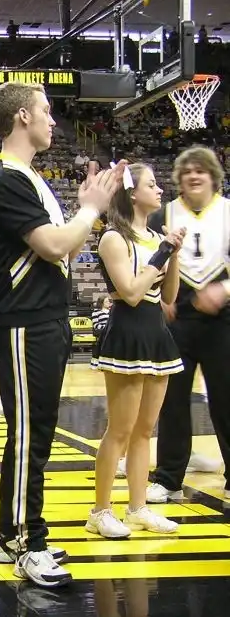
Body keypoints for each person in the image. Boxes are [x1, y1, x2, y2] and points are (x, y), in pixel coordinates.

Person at [0, 81, 124, 588]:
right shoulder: (4, 179)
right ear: (22, 116)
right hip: (24, 320)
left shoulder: (28, 177)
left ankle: (11, 534)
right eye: (45, 110)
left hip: (44, 318)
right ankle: (26, 542)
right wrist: (92, 207)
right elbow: (55, 245)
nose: (52, 120)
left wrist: (86, 207)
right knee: (29, 435)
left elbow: (62, 248)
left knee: (35, 433)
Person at [88, 164, 186, 537]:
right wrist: (161, 253)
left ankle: (138, 508)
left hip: (156, 334)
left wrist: (173, 254)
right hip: (126, 335)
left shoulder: (155, 238)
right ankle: (100, 511)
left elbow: (169, 296)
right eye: (152, 184)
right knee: (120, 430)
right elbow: (129, 292)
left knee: (145, 431)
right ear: (132, 193)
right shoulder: (114, 238)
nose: (159, 190)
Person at [147, 145, 230, 504]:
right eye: (187, 171)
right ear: (179, 179)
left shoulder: (227, 211)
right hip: (176, 318)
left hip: (222, 319)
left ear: (214, 176)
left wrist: (224, 289)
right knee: (172, 401)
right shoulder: (163, 214)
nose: (194, 176)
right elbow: (146, 259)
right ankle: (169, 478)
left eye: (201, 170)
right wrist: (157, 296)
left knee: (226, 398)